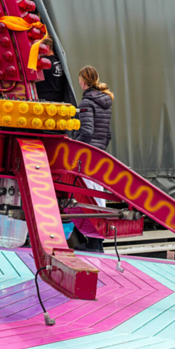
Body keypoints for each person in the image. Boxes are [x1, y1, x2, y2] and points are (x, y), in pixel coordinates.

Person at [69, 65, 114, 253]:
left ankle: (90, 242)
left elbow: (86, 132)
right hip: (99, 154)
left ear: (83, 81)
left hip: (86, 156)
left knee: (86, 197)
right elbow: (108, 133)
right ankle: (98, 242)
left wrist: (74, 148)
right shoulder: (105, 101)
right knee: (98, 196)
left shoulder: (87, 102)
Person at [34, 38, 67, 102]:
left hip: (45, 100)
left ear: (47, 47)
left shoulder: (43, 63)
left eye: (39, 47)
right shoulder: (61, 61)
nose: (37, 50)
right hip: (60, 100)